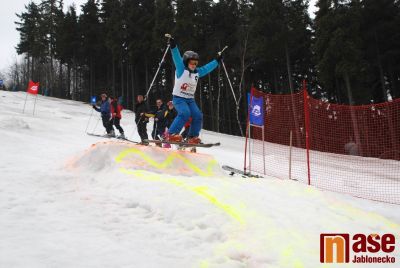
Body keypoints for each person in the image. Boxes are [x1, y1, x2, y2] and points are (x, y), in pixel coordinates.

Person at [167, 36, 222, 144]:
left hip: (190, 100)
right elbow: (176, 57)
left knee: (198, 115)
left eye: (196, 63)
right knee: (185, 113)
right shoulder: (181, 69)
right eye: (192, 62)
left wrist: (217, 61)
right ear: (186, 62)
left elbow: (207, 68)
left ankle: (192, 137)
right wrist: (173, 46)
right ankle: (171, 134)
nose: (194, 65)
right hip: (179, 98)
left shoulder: (197, 72)